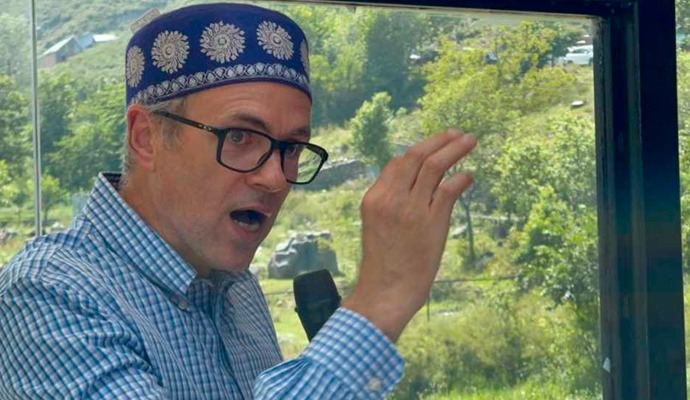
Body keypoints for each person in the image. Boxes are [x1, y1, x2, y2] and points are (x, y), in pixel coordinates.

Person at [0, 3, 476, 399]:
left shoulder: (236, 288)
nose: (275, 178)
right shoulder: (48, 294)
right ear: (146, 137)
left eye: (292, 147)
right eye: (241, 137)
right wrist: (379, 300)